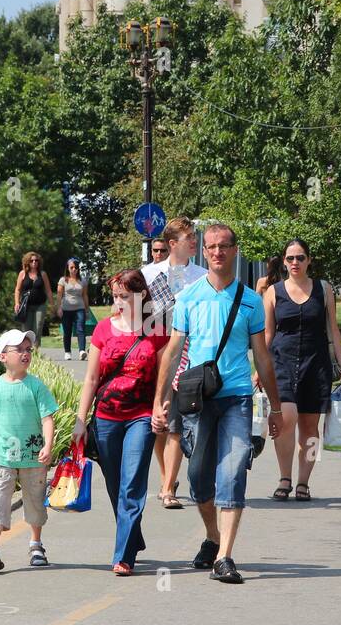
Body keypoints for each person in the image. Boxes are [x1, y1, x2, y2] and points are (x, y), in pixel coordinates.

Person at [152, 223, 282, 585]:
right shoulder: (189, 297)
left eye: (224, 246)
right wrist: (160, 401)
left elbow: (262, 357)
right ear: (203, 253)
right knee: (197, 479)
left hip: (237, 397)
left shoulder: (251, 301)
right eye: (211, 247)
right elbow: (173, 349)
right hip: (197, 399)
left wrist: (275, 408)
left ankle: (225, 556)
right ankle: (212, 535)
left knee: (233, 471)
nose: (218, 252)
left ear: (235, 251)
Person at [73, 269, 171, 576]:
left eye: (125, 296)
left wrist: (159, 407)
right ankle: (133, 535)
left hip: (140, 417)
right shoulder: (103, 329)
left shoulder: (157, 331)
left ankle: (124, 555)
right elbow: (91, 379)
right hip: (105, 418)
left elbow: (163, 378)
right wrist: (80, 419)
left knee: (132, 485)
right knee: (115, 486)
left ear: (141, 296)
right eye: (115, 296)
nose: (118, 302)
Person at [262, 239, 341, 502]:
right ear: (283, 261)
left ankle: (304, 481)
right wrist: (260, 368)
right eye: (290, 258)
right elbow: (267, 334)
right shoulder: (273, 292)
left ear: (309, 260)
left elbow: (333, 329)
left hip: (316, 364)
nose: (294, 263)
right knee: (285, 419)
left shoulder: (323, 290)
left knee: (311, 428)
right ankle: (284, 477)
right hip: (282, 364)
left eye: (300, 258)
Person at [0, 328, 58, 571]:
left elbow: (47, 418)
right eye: (19, 349)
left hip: (33, 456)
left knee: (35, 500)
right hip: (1, 456)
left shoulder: (36, 386)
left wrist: (48, 445)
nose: (25, 353)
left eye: (28, 349)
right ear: (3, 356)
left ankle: (36, 544)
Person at [140, 217, 207, 510]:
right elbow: (138, 318)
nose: (194, 241)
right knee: (159, 422)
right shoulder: (149, 274)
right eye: (188, 237)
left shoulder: (203, 275)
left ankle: (168, 487)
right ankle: (167, 475)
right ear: (172, 244)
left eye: (194, 236)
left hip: (188, 355)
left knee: (177, 420)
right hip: (155, 354)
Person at [14, 252, 54, 348]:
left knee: (38, 328)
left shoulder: (43, 274)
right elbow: (18, 289)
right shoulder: (23, 273)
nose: (34, 262)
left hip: (40, 305)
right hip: (26, 306)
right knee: (26, 331)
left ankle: (36, 351)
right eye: (32, 260)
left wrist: (52, 306)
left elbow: (48, 290)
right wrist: (16, 303)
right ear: (28, 262)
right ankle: (26, 350)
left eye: (36, 260)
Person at [56, 258, 90, 361]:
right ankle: (67, 352)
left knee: (81, 329)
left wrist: (87, 309)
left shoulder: (82, 281)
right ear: (68, 268)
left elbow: (85, 295)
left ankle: (82, 351)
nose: (74, 269)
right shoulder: (63, 280)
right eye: (72, 267)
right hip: (66, 309)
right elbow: (59, 295)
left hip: (80, 308)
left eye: (76, 267)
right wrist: (59, 308)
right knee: (67, 331)